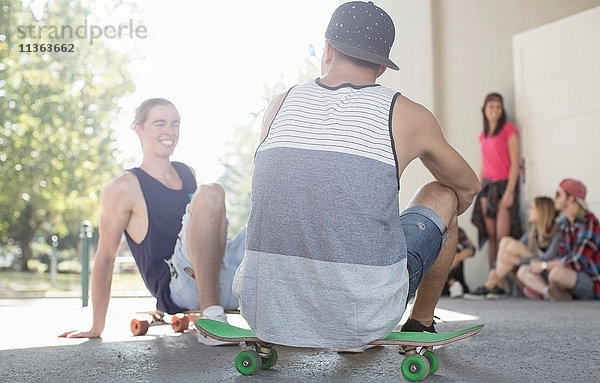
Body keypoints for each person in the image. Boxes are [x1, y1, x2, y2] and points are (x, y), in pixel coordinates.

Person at [230, 1, 480, 349]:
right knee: (444, 193)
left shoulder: (280, 104)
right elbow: (468, 187)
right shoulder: (406, 114)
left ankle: (300, 313)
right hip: (364, 317)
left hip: (265, 311)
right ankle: (420, 326)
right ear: (381, 67)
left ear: (327, 49)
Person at [61, 98, 246, 344]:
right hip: (179, 287)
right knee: (212, 190)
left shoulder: (186, 172)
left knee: (273, 211)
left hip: (221, 274)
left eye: (175, 124)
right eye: (160, 123)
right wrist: (97, 327)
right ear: (138, 129)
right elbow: (106, 257)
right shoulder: (123, 187)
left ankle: (291, 317)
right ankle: (211, 321)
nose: (169, 131)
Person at [517, 179, 600, 301]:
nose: (554, 198)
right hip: (562, 272)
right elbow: (559, 255)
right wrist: (540, 265)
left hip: (588, 280)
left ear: (571, 199)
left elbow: (577, 261)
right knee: (523, 271)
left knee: (556, 274)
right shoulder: (564, 223)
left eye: (558, 194)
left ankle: (548, 292)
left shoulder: (589, 222)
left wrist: (544, 265)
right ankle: (549, 293)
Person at [464, 196, 559, 300]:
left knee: (511, 246)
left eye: (532, 208)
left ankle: (491, 285)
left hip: (544, 274)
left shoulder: (556, 231)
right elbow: (511, 250)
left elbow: (547, 259)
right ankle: (497, 283)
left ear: (542, 211)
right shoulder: (533, 231)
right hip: (529, 270)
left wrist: (517, 260)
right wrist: (496, 268)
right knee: (506, 242)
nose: (529, 211)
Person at [470, 92, 522, 271]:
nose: (495, 110)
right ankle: (493, 276)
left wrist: (510, 191)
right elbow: (484, 166)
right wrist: (475, 188)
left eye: (498, 107)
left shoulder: (509, 130)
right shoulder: (482, 136)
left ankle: (500, 281)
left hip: (504, 186)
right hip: (487, 187)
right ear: (484, 110)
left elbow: (515, 163)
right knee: (491, 236)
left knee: (503, 236)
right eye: (491, 106)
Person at [443, 227, 475, 298]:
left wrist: (456, 258)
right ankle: (452, 282)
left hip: (453, 272)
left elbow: (470, 249)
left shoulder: (457, 230)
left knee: (455, 252)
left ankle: (454, 284)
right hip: (435, 277)